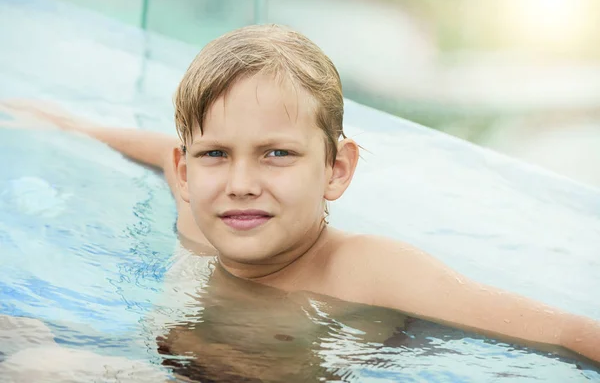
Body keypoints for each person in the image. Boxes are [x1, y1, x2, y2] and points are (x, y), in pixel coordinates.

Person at [1, 24, 598, 369]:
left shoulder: (368, 270)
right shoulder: (201, 216)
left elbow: (564, 331)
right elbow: (162, 147)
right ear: (188, 173)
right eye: (215, 154)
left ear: (336, 169)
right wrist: (73, 127)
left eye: (277, 153)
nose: (240, 181)